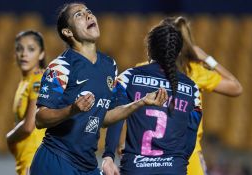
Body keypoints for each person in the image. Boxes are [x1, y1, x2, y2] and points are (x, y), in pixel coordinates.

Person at [29, 3, 168, 175]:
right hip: (57, 159)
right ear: (68, 32)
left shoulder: (109, 65)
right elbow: (40, 119)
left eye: (88, 11)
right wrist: (71, 110)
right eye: (79, 15)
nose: (88, 15)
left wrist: (140, 103)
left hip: (87, 164)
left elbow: (105, 118)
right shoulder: (61, 66)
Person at [104, 16, 243, 175]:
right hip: (183, 159)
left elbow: (120, 114)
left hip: (139, 161)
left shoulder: (136, 72)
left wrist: (115, 150)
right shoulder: (193, 75)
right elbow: (236, 87)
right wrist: (206, 58)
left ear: (151, 47)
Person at [102, 23, 203, 175]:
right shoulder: (192, 89)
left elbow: (115, 117)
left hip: (135, 168)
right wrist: (177, 164)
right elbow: (190, 139)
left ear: (149, 49)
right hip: (174, 169)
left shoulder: (129, 77)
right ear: (178, 52)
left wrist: (108, 155)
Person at [6, 30, 46, 175]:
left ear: (41, 54)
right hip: (26, 161)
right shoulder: (24, 82)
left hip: (34, 161)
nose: (24, 54)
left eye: (31, 49)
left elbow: (29, 125)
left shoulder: (37, 80)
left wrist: (9, 137)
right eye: (19, 49)